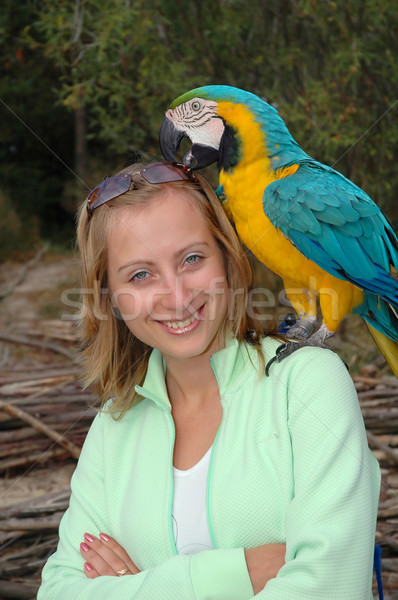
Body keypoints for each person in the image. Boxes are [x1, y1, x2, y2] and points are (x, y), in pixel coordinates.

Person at [38, 161, 381, 600]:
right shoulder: (115, 425)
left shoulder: (308, 386)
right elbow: (58, 592)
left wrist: (135, 587)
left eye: (192, 259)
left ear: (228, 257)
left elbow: (331, 587)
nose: (178, 297)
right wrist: (234, 574)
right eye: (140, 275)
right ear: (109, 296)